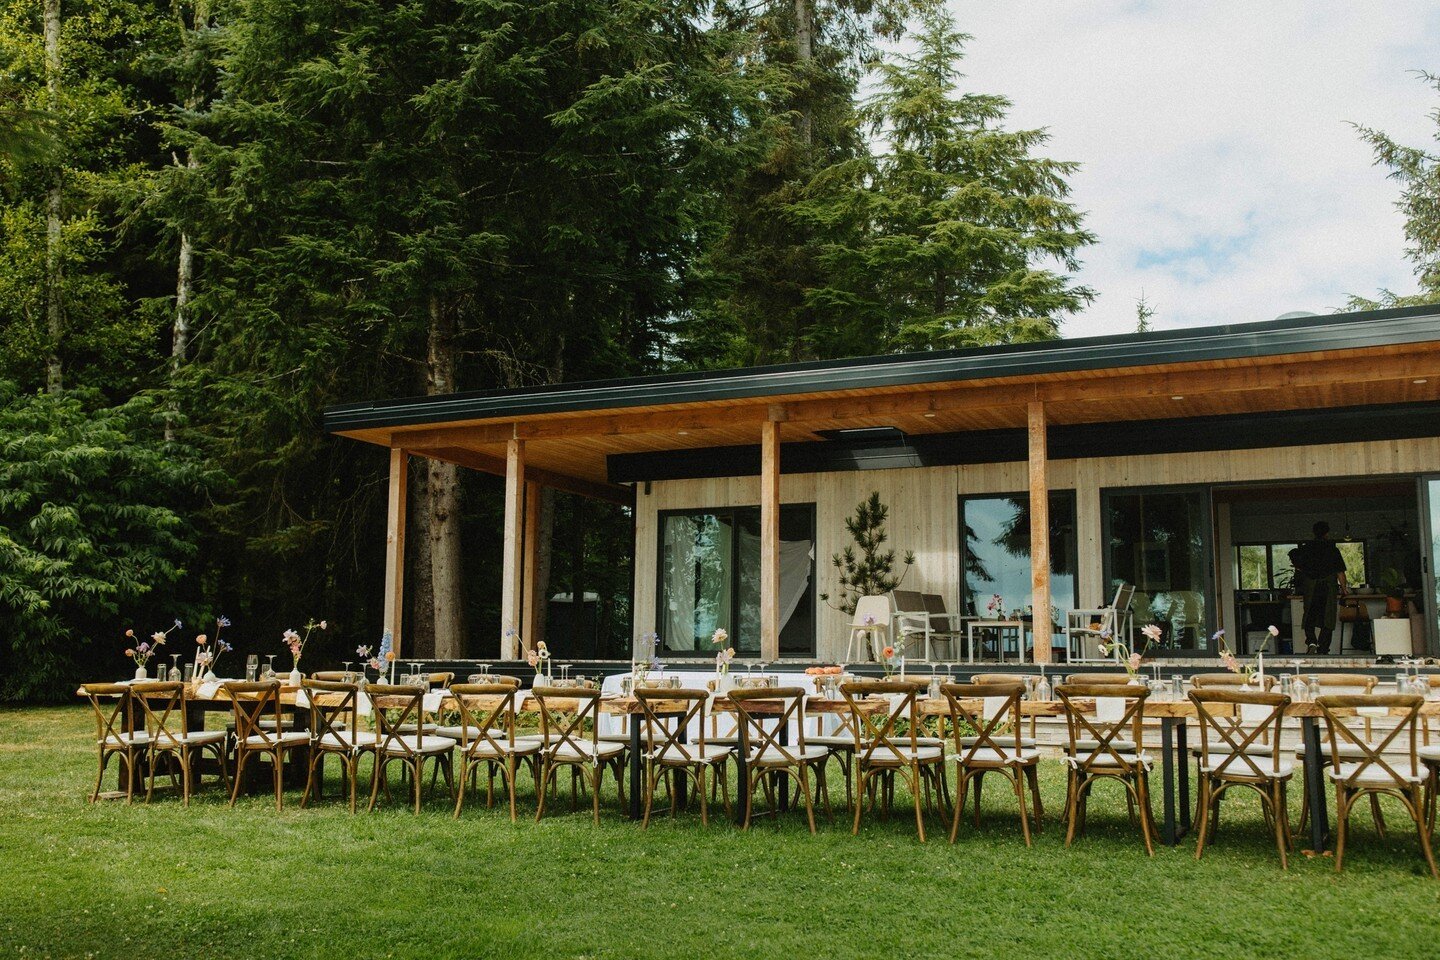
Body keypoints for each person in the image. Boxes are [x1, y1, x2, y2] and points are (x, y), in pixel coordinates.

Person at [1289, 522, 1348, 654]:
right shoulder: (1333, 549)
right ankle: (1323, 648)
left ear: (1314, 533)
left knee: (1309, 614)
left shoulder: (1305, 548)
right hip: (1328, 586)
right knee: (1328, 618)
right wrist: (1344, 588)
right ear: (1327, 533)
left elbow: (1299, 568)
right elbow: (1340, 572)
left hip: (1311, 586)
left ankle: (1311, 641)